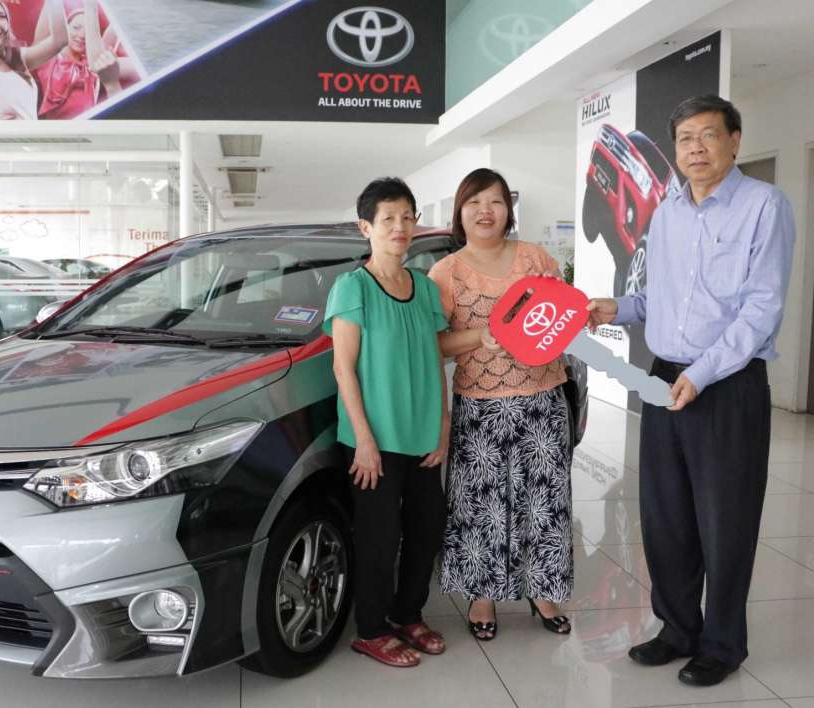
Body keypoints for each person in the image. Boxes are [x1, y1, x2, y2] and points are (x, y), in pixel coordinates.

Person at [587, 95, 795, 686]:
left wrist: (700, 374)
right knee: (664, 513)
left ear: (734, 140)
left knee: (724, 518)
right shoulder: (668, 211)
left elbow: (761, 309)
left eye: (708, 135)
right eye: (684, 138)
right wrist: (615, 307)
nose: (695, 148)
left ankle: (723, 643)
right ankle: (677, 628)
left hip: (726, 384)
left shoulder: (764, 206)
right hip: (664, 375)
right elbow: (658, 299)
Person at [429, 168, 573, 641]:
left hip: (542, 398)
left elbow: (561, 316)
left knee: (544, 501)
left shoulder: (534, 257)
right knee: (480, 505)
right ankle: (482, 595)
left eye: (494, 201)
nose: (485, 211)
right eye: (474, 202)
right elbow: (435, 344)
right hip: (480, 405)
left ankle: (543, 589)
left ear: (508, 211)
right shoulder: (445, 272)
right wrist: (481, 338)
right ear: (460, 213)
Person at [324, 177, 449, 668]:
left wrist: (441, 425)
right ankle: (371, 629)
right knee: (379, 539)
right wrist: (363, 441)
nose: (400, 227)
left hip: (422, 435)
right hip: (375, 441)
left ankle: (407, 613)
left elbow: (435, 359)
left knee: (426, 530)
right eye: (388, 219)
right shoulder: (353, 287)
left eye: (407, 217)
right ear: (366, 228)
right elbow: (342, 368)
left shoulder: (423, 288)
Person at [33, 0, 142, 119]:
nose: (82, 35)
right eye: (76, 27)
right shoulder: (49, 58)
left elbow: (116, 27)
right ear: (66, 29)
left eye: (87, 30)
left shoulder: (95, 67)